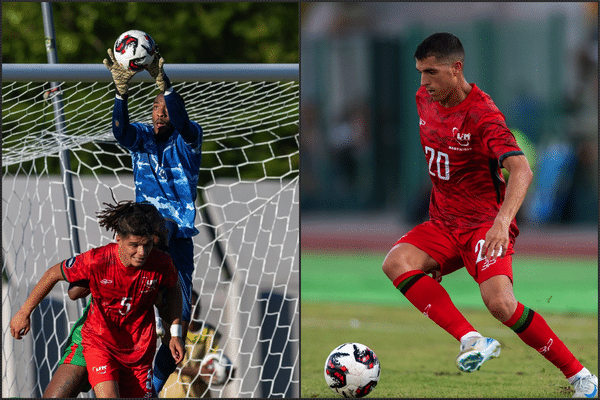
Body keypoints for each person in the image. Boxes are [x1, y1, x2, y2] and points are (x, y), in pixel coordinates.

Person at [381, 32, 597, 398]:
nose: (424, 82)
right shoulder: (424, 99)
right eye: (420, 72)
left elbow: (522, 170)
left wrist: (502, 222)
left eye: (431, 72)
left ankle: (582, 378)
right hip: (443, 222)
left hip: (484, 224)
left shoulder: (483, 115)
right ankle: (472, 340)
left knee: (500, 303)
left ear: (456, 68)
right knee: (397, 262)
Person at [103, 43, 204, 394]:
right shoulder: (141, 137)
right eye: (155, 107)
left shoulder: (189, 138)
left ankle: (152, 388)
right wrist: (121, 93)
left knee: (180, 326)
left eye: (165, 108)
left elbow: (181, 119)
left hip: (178, 241)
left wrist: (165, 85)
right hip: (147, 235)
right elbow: (120, 131)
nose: (160, 114)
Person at [10, 201, 185, 398]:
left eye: (147, 245)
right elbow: (65, 285)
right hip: (98, 339)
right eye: (135, 245)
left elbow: (174, 293)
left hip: (137, 350)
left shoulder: (161, 264)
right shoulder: (99, 260)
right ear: (120, 239)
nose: (142, 252)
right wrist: (24, 312)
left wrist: (175, 333)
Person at [159, 289, 224, 398]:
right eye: (190, 307)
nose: (193, 310)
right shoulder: (172, 331)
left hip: (199, 394)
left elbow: (213, 364)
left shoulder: (210, 333)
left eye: (196, 306)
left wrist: (224, 373)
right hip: (174, 394)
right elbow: (171, 365)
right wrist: (199, 371)